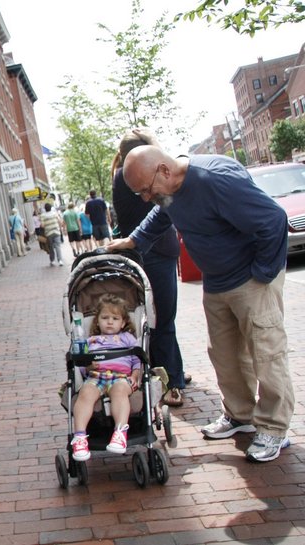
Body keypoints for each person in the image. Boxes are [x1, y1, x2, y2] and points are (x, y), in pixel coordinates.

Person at [108, 145, 294, 463]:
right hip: (217, 281)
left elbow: (274, 220)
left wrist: (262, 274)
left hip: (251, 279)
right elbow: (161, 213)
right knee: (224, 354)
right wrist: (134, 240)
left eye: (146, 189)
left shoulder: (214, 180)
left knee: (266, 353)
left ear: (164, 170)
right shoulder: (168, 189)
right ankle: (240, 415)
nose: (145, 198)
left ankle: (274, 430)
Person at [110, 128, 187, 407]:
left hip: (152, 254)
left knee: (161, 320)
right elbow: (169, 188)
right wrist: (155, 143)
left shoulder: (120, 175)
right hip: (153, 255)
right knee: (161, 321)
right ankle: (171, 384)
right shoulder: (132, 176)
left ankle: (172, 370)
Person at [70, 294, 141, 461]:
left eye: (115, 318)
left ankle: (120, 433)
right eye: (105, 317)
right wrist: (87, 366)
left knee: (119, 391)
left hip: (121, 377)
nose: (109, 321)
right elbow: (81, 365)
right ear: (97, 321)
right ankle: (80, 437)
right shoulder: (90, 341)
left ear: (123, 322)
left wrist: (135, 374)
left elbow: (137, 359)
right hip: (96, 376)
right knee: (85, 393)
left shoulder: (127, 338)